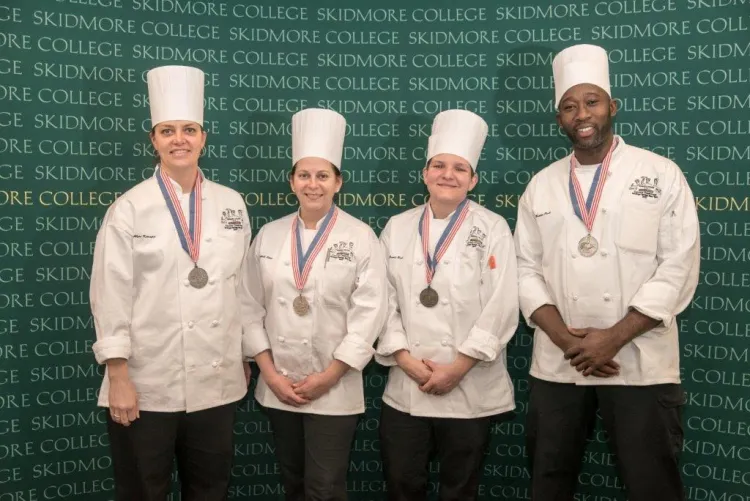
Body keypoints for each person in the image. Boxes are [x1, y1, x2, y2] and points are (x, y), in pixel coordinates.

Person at [514, 44, 700, 501]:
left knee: (652, 485)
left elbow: (678, 265)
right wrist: (566, 340)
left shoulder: (660, 173)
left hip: (639, 362)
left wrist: (612, 338)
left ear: (612, 106)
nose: (582, 113)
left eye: (592, 101)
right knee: (548, 484)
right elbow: (524, 268)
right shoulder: (540, 184)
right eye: (569, 106)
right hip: (560, 363)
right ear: (558, 118)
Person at [90, 65, 252, 501]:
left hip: (216, 383)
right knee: (144, 490)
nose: (178, 139)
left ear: (203, 137)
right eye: (167, 131)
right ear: (154, 141)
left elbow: (242, 289)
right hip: (146, 384)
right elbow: (110, 294)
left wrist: (244, 352)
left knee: (210, 489)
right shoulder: (130, 207)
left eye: (188, 129)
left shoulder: (231, 203)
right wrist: (118, 375)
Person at [241, 108, 388, 501]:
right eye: (304, 175)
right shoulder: (268, 236)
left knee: (324, 488)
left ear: (338, 181)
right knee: (293, 484)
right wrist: (269, 373)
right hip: (279, 385)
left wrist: (329, 376)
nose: (313, 184)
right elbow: (249, 306)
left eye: (322, 175)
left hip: (333, 388)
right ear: (291, 181)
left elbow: (369, 314)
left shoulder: (361, 236)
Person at [375, 109, 519, 501]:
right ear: (425, 173)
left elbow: (503, 304)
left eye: (459, 168)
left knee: (460, 490)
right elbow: (381, 301)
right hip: (408, 386)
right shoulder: (398, 227)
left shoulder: (492, 227)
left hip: (470, 386)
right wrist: (405, 359)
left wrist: (458, 367)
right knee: (403, 486)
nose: (447, 174)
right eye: (439, 165)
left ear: (473, 179)